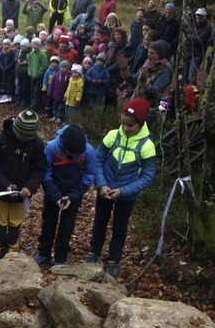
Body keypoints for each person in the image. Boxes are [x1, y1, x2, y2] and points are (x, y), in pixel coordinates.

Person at [85, 98, 156, 278]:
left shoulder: (147, 146)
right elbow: (99, 159)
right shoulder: (112, 135)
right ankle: (93, 253)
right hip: (105, 189)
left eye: (130, 125)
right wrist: (101, 184)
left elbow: (147, 176)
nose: (125, 128)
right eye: (123, 124)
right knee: (100, 222)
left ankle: (113, 261)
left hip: (126, 195)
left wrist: (123, 191)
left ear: (140, 123)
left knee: (120, 227)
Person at [0, 110, 46, 259]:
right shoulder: (1, 139)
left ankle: (11, 248)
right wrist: (5, 185)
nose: (23, 140)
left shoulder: (37, 143)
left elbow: (39, 169)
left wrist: (30, 187)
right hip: (1, 190)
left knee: (15, 221)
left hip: (22, 193)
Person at [34, 125, 96, 266]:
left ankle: (60, 258)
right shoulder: (51, 148)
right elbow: (45, 173)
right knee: (48, 223)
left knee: (67, 227)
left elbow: (89, 174)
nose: (74, 156)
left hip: (73, 194)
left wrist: (73, 196)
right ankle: (43, 253)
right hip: (53, 192)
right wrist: (55, 196)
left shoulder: (89, 151)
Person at [118, 40, 172, 121]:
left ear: (160, 55)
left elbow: (154, 93)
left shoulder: (164, 71)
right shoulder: (147, 64)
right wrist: (124, 70)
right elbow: (135, 82)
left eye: (152, 53)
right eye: (148, 52)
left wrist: (143, 81)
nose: (149, 55)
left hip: (150, 111)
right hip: (136, 104)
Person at [185, 8, 212, 85]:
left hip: (197, 55)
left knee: (191, 77)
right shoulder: (192, 25)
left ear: (204, 17)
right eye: (197, 15)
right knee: (185, 76)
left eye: (200, 15)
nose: (198, 17)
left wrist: (189, 36)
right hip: (188, 53)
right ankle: (186, 94)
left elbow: (199, 40)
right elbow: (186, 36)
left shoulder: (208, 27)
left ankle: (194, 94)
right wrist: (190, 37)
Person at [28, 37, 49, 112]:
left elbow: (45, 65)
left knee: (37, 91)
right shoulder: (31, 54)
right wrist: (29, 72)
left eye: (36, 45)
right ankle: (32, 104)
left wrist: (39, 73)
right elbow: (29, 64)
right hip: (32, 76)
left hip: (39, 76)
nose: (35, 46)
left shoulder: (42, 54)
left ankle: (34, 107)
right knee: (32, 90)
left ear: (39, 45)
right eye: (33, 44)